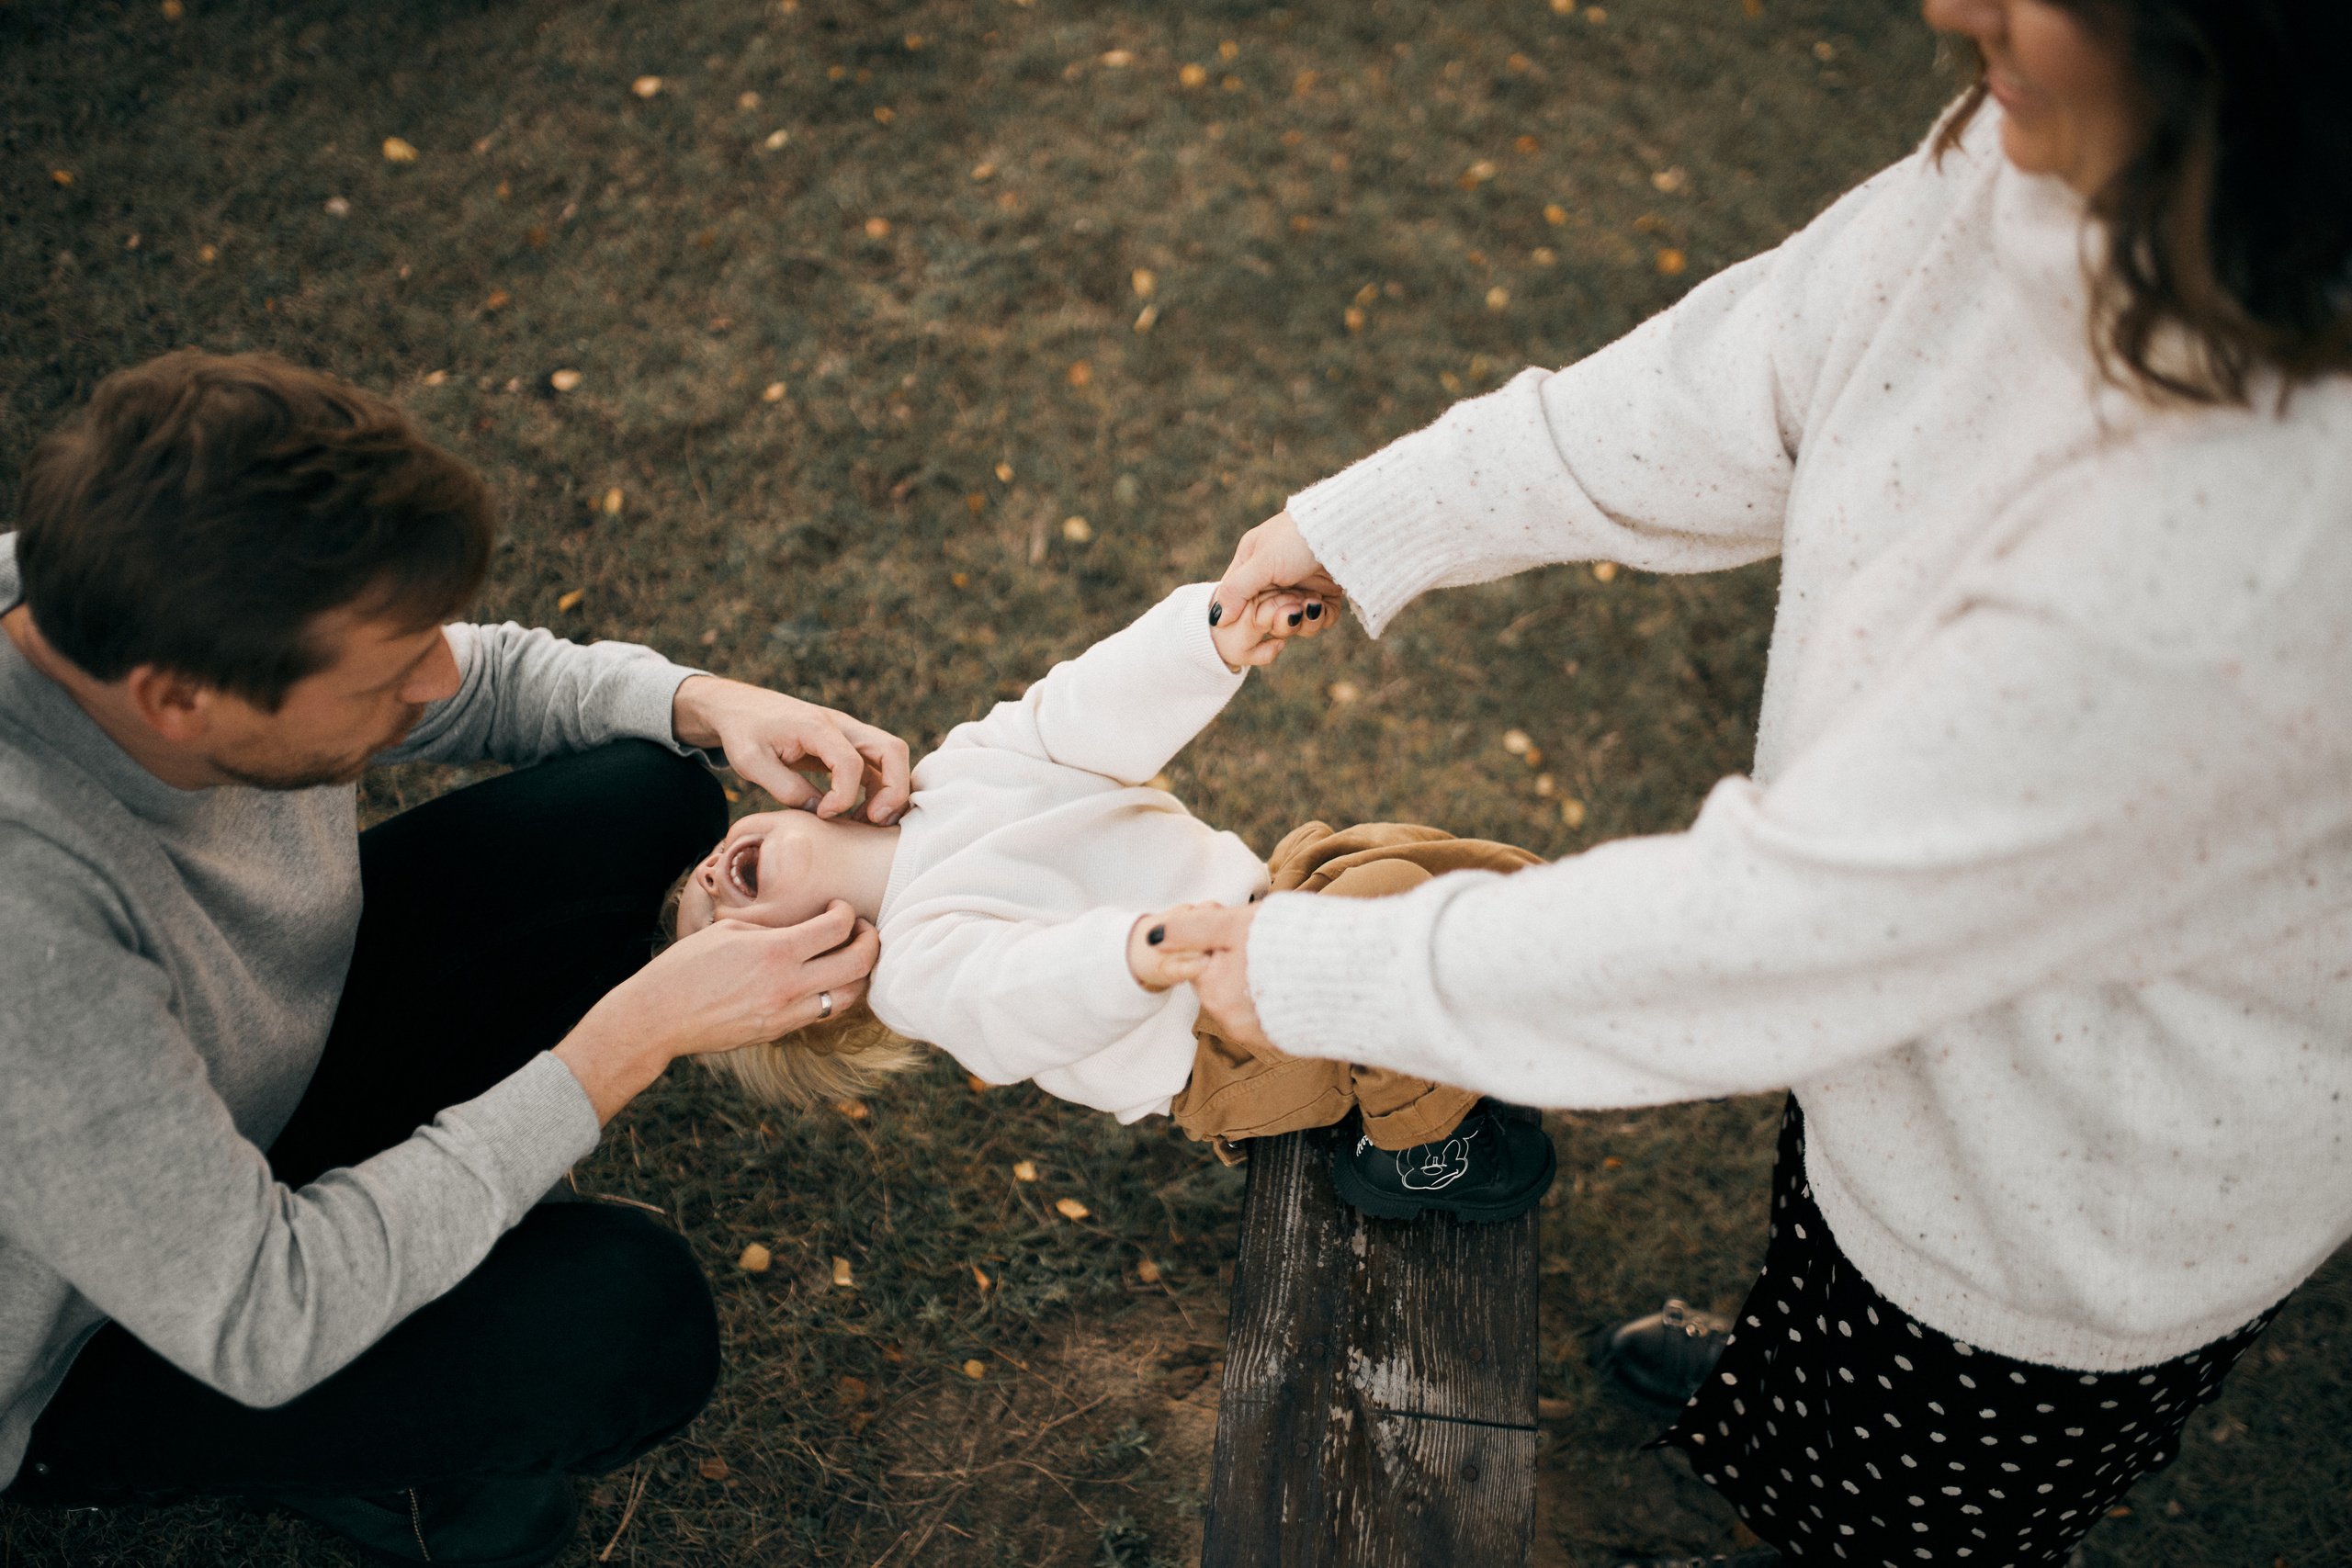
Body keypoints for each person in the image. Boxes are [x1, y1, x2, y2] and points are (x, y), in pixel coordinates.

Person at [1170, 1, 2352, 1563]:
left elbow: (1790, 933)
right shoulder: (2060, 151)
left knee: (1899, 1511)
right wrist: (1379, 519)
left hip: (2067, 1230)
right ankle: (1773, 1393)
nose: (1947, 7)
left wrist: (1324, 973)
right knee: (1825, 1277)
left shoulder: (2254, 558)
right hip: (1910, 1078)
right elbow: (1756, 369)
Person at [0, 350, 904, 1567]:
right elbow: (264, 1312)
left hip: (228, 1094)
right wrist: (623, 1041)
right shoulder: (31, 933)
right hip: (96, 1328)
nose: (438, 676)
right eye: (388, 672)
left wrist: (710, 700)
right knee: (624, 1321)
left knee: (643, 789)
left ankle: (416, 1202)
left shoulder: (98, 595)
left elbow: (480, 679)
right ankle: (339, 1461)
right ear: (178, 702)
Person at [667, 581, 1557, 1224]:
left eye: (701, 873)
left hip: (1274, 900)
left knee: (1418, 867)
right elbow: (1020, 991)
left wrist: (1209, 636)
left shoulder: (959, 773)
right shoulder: (916, 967)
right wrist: (1137, 950)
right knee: (1382, 921)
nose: (708, 880)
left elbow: (1083, 712)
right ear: (800, 978)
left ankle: (1556, 959)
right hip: (1227, 1045)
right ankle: (1412, 1154)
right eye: (713, 930)